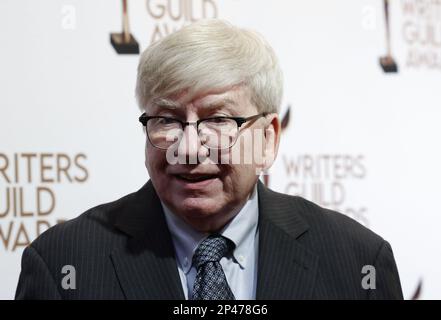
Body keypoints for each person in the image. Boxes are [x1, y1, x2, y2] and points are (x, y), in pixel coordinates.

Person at [15, 19, 403, 300]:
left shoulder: (358, 263)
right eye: (166, 119)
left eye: (218, 120)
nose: (188, 150)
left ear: (268, 138)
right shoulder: (64, 263)